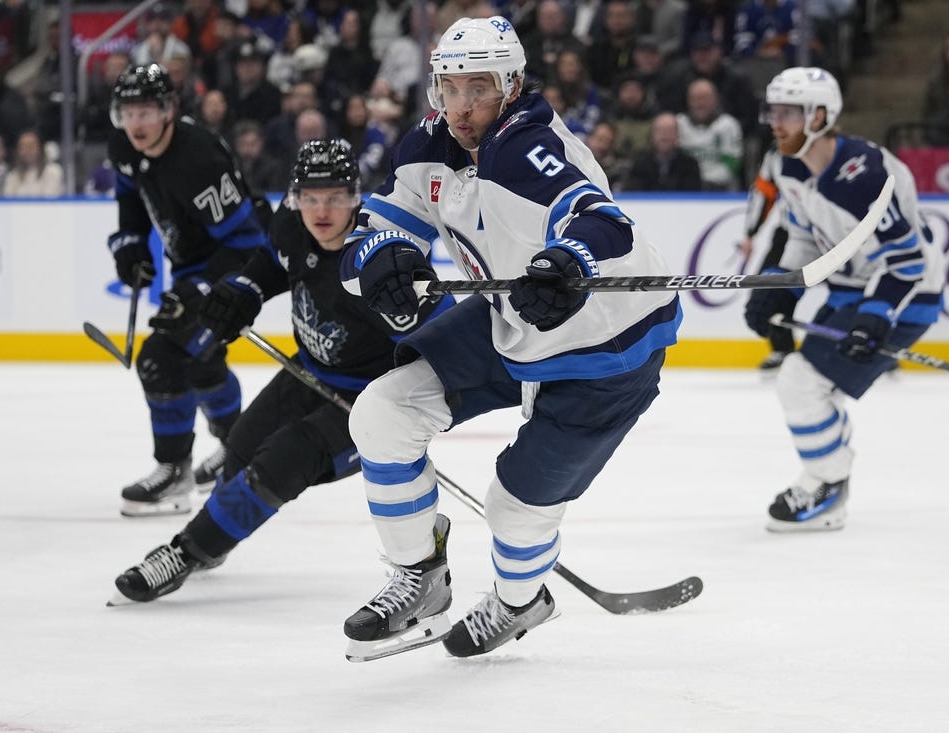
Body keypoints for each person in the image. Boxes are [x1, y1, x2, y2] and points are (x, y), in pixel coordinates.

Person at [337, 16, 682, 661]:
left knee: (515, 508)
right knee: (382, 413)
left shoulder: (529, 149)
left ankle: (521, 602)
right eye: (450, 88)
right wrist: (378, 255)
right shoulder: (427, 147)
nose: (461, 107)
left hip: (604, 348)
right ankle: (420, 575)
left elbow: (605, 223)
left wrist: (568, 262)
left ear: (512, 84)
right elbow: (375, 229)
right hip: (513, 317)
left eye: (478, 90)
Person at [112, 139, 453, 602]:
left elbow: (439, 342)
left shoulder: (381, 257)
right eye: (310, 197)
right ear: (295, 198)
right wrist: (240, 293)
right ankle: (213, 542)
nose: (321, 210)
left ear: (357, 196)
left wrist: (407, 405)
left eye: (335, 196)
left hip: (370, 401)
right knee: (241, 447)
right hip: (309, 371)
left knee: (284, 458)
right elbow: (267, 267)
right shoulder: (291, 225)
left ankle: (186, 552)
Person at [744, 67, 944, 532]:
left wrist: (876, 316)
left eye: (788, 112)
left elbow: (907, 263)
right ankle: (831, 469)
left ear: (819, 116)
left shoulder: (865, 176)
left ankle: (828, 485)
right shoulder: (785, 164)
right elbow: (803, 238)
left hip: (906, 295)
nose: (776, 122)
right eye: (773, 110)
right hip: (854, 291)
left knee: (799, 381)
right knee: (808, 386)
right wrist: (782, 286)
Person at [105, 63, 271, 517]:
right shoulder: (122, 144)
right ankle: (239, 450)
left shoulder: (198, 158)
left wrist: (199, 289)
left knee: (161, 359)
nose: (136, 123)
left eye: (147, 111)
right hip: (191, 265)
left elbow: (248, 242)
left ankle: (174, 472)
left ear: (169, 110)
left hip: (233, 264)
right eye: (128, 113)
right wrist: (131, 244)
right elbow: (129, 194)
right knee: (201, 362)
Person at [737, 144, 793, 371]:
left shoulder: (830, 150)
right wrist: (751, 233)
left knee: (851, 285)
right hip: (792, 234)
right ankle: (782, 348)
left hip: (834, 232)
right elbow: (764, 193)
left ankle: (871, 340)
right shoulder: (776, 155)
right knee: (768, 290)